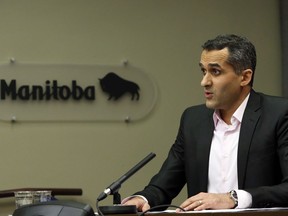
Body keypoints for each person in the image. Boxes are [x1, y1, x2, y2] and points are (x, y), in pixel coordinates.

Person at [122, 34, 288, 211]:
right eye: (203, 71)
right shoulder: (193, 120)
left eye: (215, 72)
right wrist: (143, 199)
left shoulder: (278, 114)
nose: (204, 82)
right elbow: (165, 184)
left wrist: (235, 198)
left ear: (245, 77)